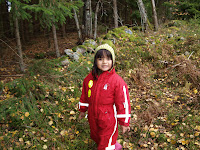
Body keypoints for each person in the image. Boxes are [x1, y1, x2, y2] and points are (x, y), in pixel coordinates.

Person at [78, 44, 131, 150]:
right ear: (95, 61)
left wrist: (124, 122)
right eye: (100, 59)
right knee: (97, 136)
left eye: (108, 59)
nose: (104, 62)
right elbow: (85, 95)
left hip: (108, 118)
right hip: (93, 116)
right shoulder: (89, 79)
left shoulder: (117, 81)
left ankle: (110, 146)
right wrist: (82, 110)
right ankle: (112, 145)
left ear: (113, 61)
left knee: (105, 142)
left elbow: (123, 102)